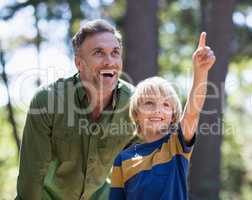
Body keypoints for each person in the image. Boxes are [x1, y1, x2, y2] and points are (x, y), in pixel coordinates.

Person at [16, 19, 137, 200]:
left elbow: (148, 163)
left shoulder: (135, 103)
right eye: (99, 53)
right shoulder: (48, 101)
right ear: (79, 63)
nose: (109, 61)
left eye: (115, 53)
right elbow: (31, 177)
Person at [109, 32, 216, 200]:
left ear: (173, 116)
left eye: (166, 105)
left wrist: (200, 72)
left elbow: (192, 113)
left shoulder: (176, 145)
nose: (158, 110)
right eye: (149, 103)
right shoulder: (123, 159)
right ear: (136, 114)